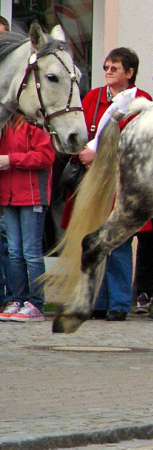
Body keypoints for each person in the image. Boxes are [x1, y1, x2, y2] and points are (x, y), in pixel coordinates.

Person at [76, 48, 152, 320]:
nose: (108, 71)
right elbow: (79, 130)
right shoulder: (93, 97)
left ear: (129, 73)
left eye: (115, 68)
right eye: (106, 66)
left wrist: (103, 154)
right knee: (95, 238)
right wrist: (82, 153)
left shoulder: (141, 100)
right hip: (93, 180)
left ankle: (119, 303)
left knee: (118, 240)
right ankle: (96, 300)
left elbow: (139, 142)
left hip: (123, 182)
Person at [0, 116, 54, 322]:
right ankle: (18, 299)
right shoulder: (5, 125)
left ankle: (36, 303)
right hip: (9, 196)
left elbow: (45, 157)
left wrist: (11, 159)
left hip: (32, 197)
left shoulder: (36, 125)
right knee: (14, 252)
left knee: (31, 253)